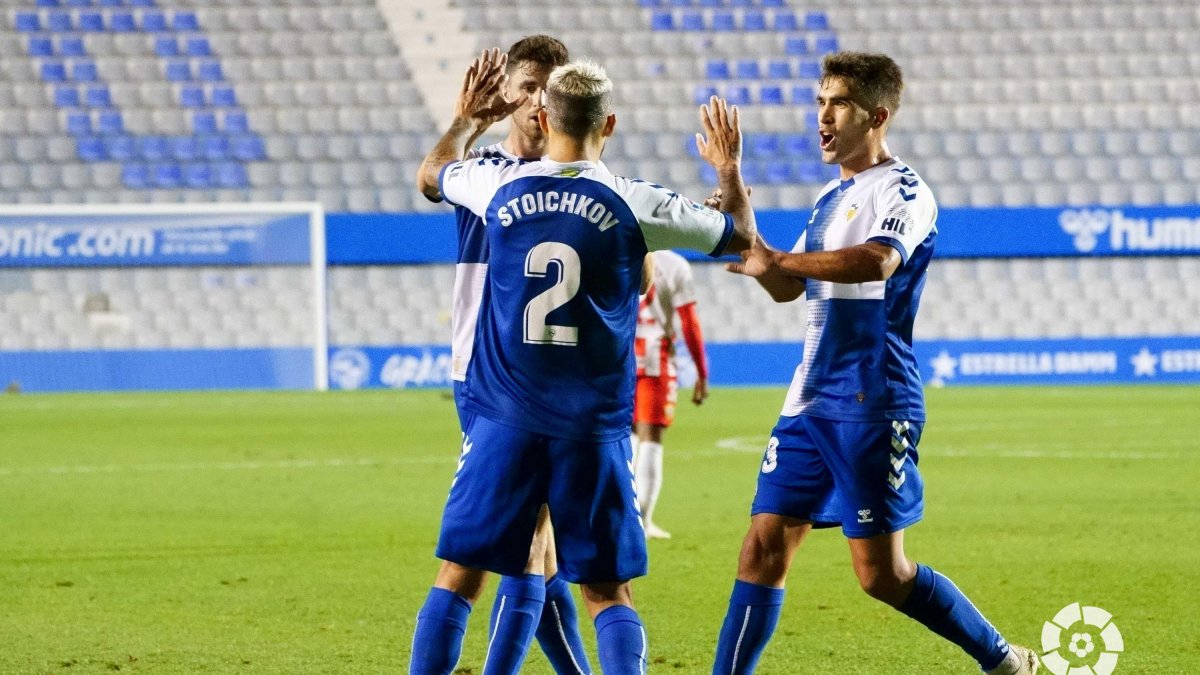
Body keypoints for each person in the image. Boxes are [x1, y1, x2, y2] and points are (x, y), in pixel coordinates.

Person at [411, 51, 755, 675]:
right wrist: (728, 170)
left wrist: (465, 120)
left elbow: (433, 175)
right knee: (607, 592)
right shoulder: (635, 201)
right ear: (610, 124)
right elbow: (740, 235)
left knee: (459, 575)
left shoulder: (495, 185)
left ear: (544, 117)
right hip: (591, 427)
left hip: (505, 417)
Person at [710, 52, 1039, 675]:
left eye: (838, 103)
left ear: (877, 116)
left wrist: (778, 260)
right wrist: (739, 205)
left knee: (881, 575)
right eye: (819, 102)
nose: (822, 117)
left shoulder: (903, 189)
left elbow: (877, 261)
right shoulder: (830, 197)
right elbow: (784, 285)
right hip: (808, 401)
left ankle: (1002, 661)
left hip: (871, 399)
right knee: (762, 548)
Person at [436, 36, 595, 675]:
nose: (537, 102)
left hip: (540, 378)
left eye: (548, 91)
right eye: (526, 87)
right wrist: (466, 123)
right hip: (489, 376)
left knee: (541, 544)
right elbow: (429, 177)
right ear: (506, 95)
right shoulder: (483, 171)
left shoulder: (581, 179)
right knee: (526, 543)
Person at [632, 249, 710, 539]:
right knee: (650, 438)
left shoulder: (616, 245)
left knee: (625, 435)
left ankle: (621, 514)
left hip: (618, 358)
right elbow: (689, 321)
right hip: (655, 359)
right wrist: (701, 372)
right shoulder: (674, 264)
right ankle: (644, 521)